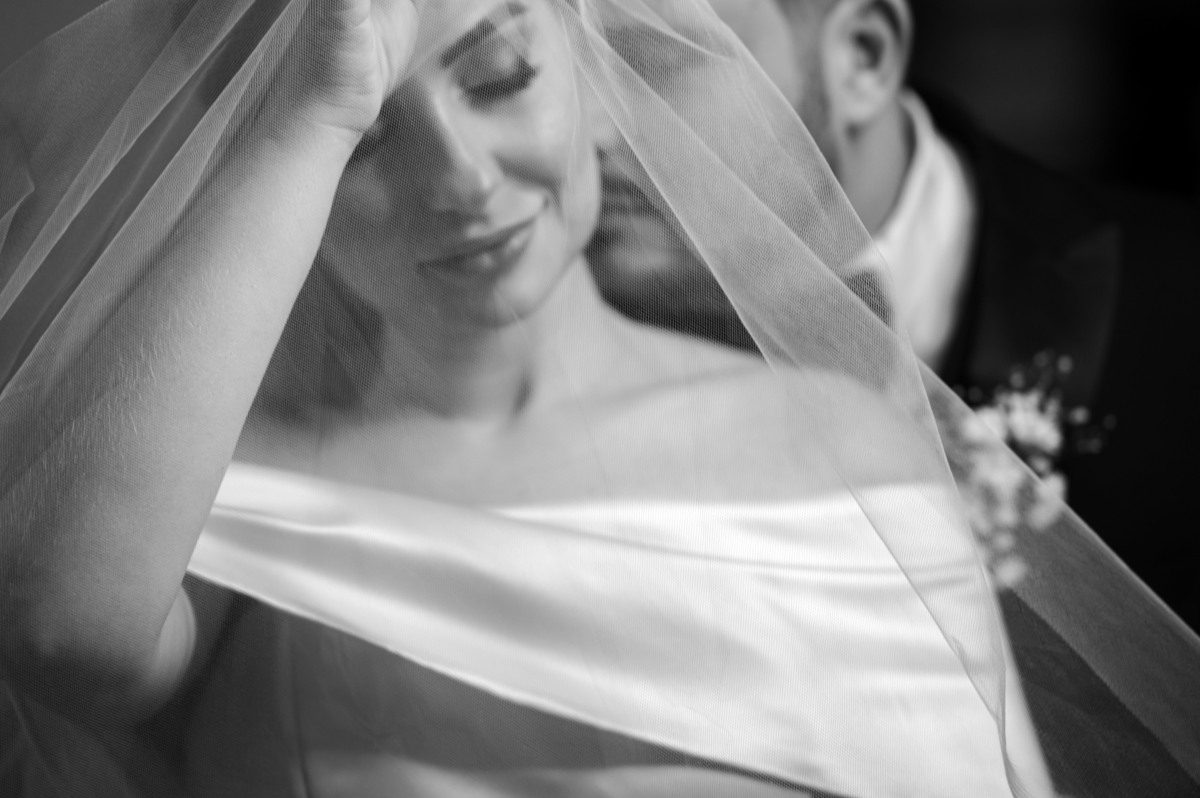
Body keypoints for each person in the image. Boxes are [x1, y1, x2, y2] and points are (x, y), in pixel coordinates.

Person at [0, 1, 1196, 797]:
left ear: (591, 67)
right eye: (370, 144)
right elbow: (60, 632)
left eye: (503, 76)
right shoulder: (213, 508)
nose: (463, 181)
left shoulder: (841, 443)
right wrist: (312, 109)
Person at [590, 0, 1200, 634]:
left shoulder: (1177, 305)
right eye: (564, 63)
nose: (591, 131)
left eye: (647, 64)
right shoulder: (556, 336)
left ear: (863, 58)